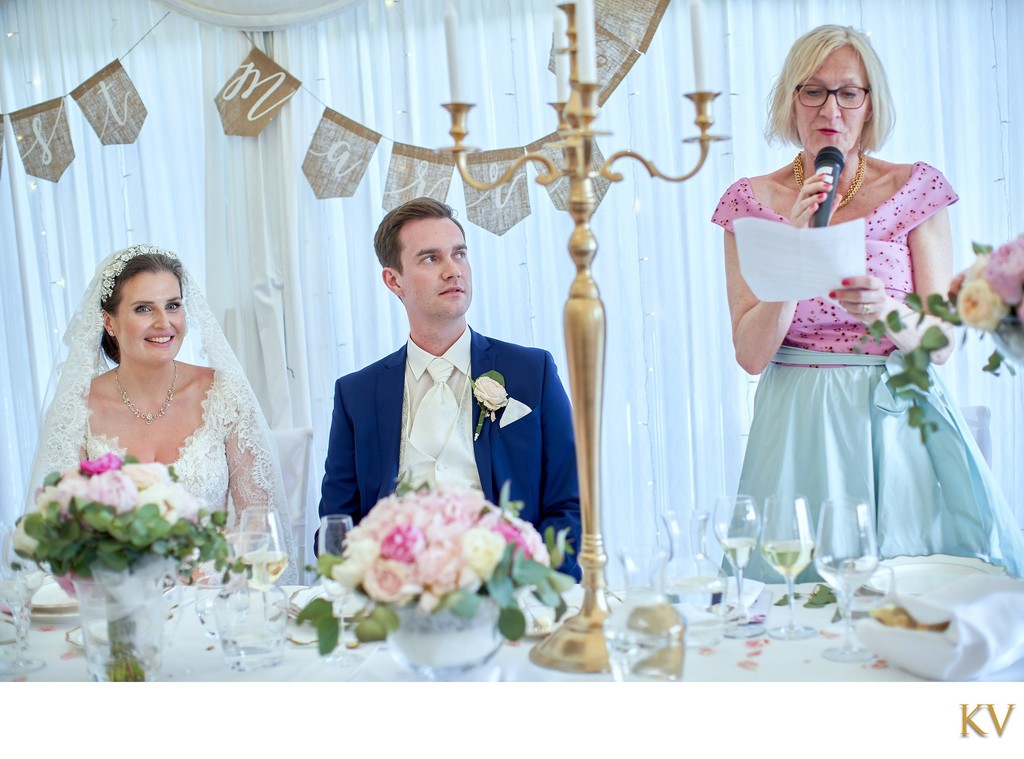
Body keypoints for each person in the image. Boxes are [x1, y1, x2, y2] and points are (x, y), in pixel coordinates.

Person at [711, 24, 1024, 582]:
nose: (830, 107)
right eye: (813, 90)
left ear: (870, 103)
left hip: (897, 414)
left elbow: (944, 343)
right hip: (797, 422)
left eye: (848, 91)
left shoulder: (916, 188)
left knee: (918, 594)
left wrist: (884, 307)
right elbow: (751, 356)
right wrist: (794, 253)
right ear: (791, 99)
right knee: (800, 602)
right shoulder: (748, 202)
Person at [319, 197, 582, 578]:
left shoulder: (531, 371)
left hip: (516, 595)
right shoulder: (356, 394)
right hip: (400, 604)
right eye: (430, 259)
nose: (452, 270)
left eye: (459, 254)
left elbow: (571, 505)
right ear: (394, 280)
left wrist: (528, 580)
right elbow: (335, 526)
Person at [28, 244, 297, 583]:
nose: (164, 322)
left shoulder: (224, 393)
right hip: (118, 602)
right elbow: (60, 529)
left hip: (211, 599)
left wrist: (198, 575)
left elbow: (258, 522)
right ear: (109, 322)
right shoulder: (77, 407)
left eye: (173, 305)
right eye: (143, 309)